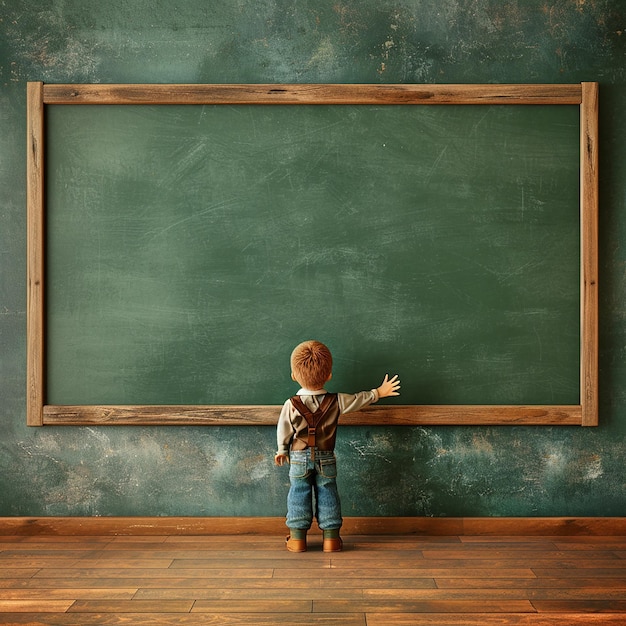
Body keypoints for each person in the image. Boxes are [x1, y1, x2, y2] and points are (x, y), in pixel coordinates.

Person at [274, 340, 400, 553]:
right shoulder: (337, 401)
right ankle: (331, 539)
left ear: (294, 375)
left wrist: (281, 450)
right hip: (326, 456)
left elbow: (283, 428)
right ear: (329, 374)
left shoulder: (291, 404)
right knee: (328, 492)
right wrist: (378, 392)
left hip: (298, 457)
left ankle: (297, 539)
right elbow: (359, 399)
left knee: (298, 493)